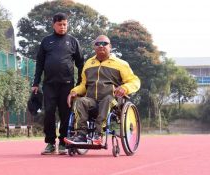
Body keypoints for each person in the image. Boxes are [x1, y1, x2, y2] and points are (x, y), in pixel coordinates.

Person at [64, 35, 140, 145]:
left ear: (110, 46)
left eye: (104, 43)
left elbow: (135, 81)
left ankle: (98, 134)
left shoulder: (120, 64)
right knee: (80, 101)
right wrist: (74, 91)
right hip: (92, 102)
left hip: (113, 102)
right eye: (97, 44)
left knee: (107, 100)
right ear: (94, 47)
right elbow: (84, 84)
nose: (101, 46)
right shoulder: (89, 63)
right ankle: (81, 135)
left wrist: (125, 88)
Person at [32, 12, 84, 155]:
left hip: (67, 85)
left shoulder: (73, 41)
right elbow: (40, 64)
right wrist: (35, 83)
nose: (62, 27)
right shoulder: (46, 41)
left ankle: (62, 142)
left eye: (65, 24)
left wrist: (80, 84)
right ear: (53, 24)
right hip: (49, 84)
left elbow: (81, 64)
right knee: (49, 112)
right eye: (60, 24)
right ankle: (50, 143)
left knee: (65, 114)